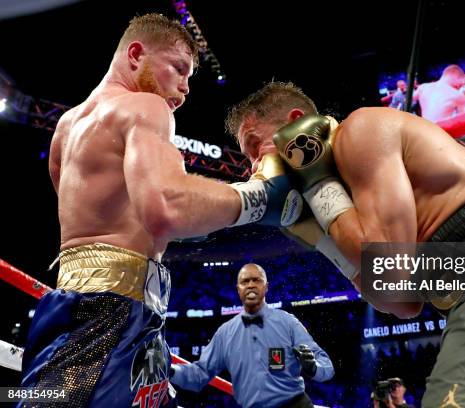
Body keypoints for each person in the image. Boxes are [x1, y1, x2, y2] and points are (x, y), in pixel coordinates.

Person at [224, 82, 465, 407]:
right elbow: (400, 301)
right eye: (248, 157)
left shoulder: (363, 129)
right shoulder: (345, 198)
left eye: (256, 146)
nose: (255, 165)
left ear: (296, 121)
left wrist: (317, 185)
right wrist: (321, 233)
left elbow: (392, 269)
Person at [19, 15, 301, 407]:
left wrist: (202, 212)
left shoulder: (65, 129)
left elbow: (129, 223)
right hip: (109, 315)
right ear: (136, 55)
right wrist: (260, 198)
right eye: (179, 69)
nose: (185, 89)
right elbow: (166, 208)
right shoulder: (145, 106)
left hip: (97, 307)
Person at [170, 263, 334, 408]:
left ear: (266, 286)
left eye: (256, 280)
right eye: (245, 281)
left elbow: (327, 366)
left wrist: (313, 368)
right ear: (238, 289)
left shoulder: (288, 322)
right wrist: (168, 370)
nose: (251, 285)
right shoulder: (225, 333)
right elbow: (199, 375)